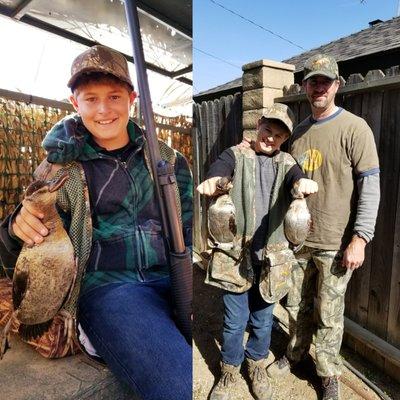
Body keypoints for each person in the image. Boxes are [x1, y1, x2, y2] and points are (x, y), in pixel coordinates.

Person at [0, 45, 193, 400]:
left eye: (114, 96)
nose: (103, 110)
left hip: (172, 277)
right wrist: (16, 227)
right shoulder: (60, 169)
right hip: (111, 290)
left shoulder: (169, 161)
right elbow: (16, 239)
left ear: (132, 99)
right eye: (91, 99)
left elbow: (188, 228)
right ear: (75, 103)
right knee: (179, 386)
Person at [267, 54, 380, 400]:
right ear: (304, 87)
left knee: (329, 313)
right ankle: (296, 354)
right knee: (296, 305)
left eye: (324, 81)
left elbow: (371, 185)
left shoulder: (354, 128)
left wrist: (360, 238)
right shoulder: (297, 133)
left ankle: (328, 372)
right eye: (312, 81)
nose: (318, 87)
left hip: (335, 241)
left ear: (337, 86)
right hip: (299, 240)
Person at [197, 103, 318, 400]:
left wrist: (301, 182)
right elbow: (220, 167)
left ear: (285, 138)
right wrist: (216, 180)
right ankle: (228, 373)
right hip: (235, 258)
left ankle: (256, 366)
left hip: (272, 259)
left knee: (263, 321)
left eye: (278, 135)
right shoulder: (235, 154)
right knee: (234, 321)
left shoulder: (287, 161)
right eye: (268, 130)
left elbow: (295, 177)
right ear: (259, 124)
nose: (271, 138)